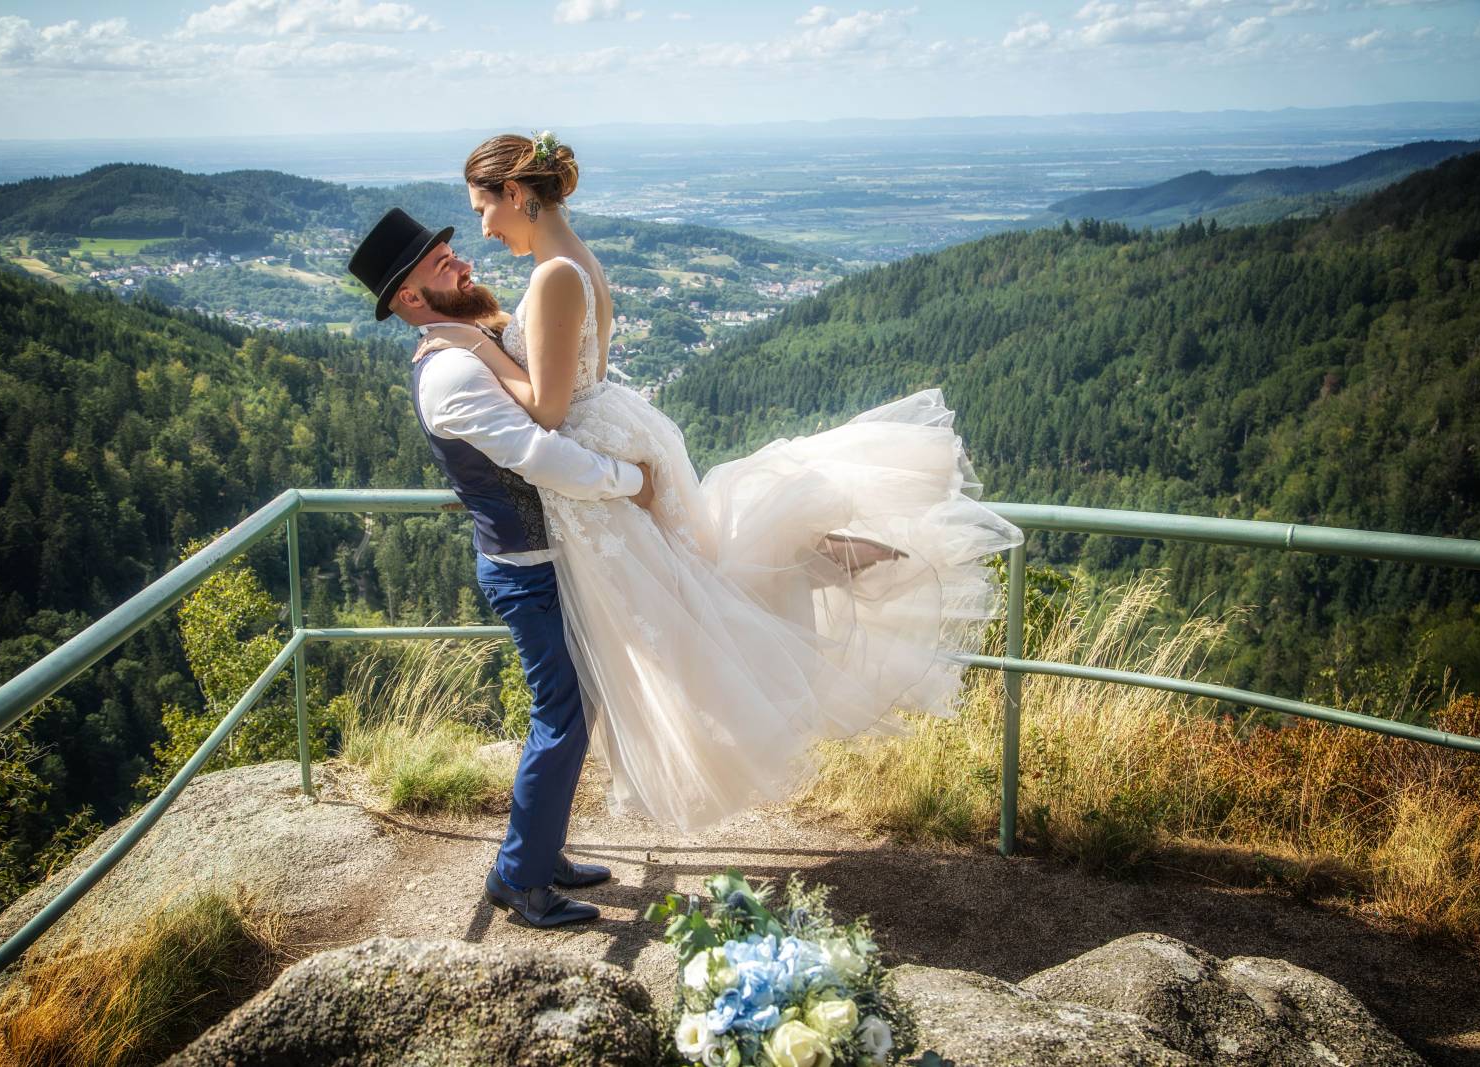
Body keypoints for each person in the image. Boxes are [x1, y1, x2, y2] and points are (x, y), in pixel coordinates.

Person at [426, 132, 1026, 834]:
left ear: (517, 194)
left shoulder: (555, 275)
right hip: (617, 431)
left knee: (681, 608)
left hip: (597, 448)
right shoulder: (573, 260)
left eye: (483, 208)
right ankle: (804, 559)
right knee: (688, 587)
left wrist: (475, 349)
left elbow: (550, 408)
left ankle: (801, 563)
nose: (485, 228)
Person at [346, 207, 650, 928]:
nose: (459, 260)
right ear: (410, 299)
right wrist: (632, 480)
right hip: (526, 569)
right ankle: (519, 879)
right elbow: (538, 455)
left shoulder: (464, 343)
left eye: (448, 248)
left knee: (573, 711)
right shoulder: (449, 371)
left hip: (544, 559)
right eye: (437, 261)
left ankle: (539, 852)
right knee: (563, 715)